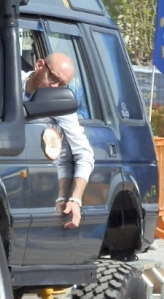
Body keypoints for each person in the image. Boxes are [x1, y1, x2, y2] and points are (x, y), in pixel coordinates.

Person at [22, 52, 94, 229]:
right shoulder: (5, 81)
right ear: (39, 65)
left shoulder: (59, 102)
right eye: (53, 78)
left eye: (62, 85)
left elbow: (84, 153)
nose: (54, 87)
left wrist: (75, 200)